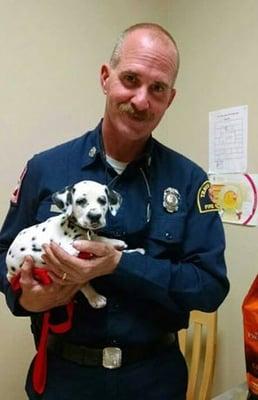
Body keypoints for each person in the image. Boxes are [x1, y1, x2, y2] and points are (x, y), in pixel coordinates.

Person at [0, 22, 229, 400]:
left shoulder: (189, 181)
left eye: (157, 89)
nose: (141, 100)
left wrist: (120, 264)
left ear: (170, 99)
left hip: (155, 380)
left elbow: (210, 288)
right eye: (131, 79)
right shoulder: (46, 168)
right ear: (106, 78)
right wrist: (25, 299)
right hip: (65, 380)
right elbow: (2, 256)